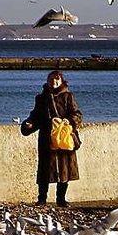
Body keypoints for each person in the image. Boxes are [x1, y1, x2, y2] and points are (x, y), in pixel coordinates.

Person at [20, 70, 83, 207]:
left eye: (56, 80)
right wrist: (28, 125)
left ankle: (61, 199)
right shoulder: (41, 98)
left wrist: (68, 121)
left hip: (64, 138)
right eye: (51, 80)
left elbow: (77, 114)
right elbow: (36, 116)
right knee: (45, 170)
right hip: (47, 138)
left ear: (61, 81)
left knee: (64, 170)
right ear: (47, 81)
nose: (53, 82)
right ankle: (42, 199)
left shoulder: (68, 96)